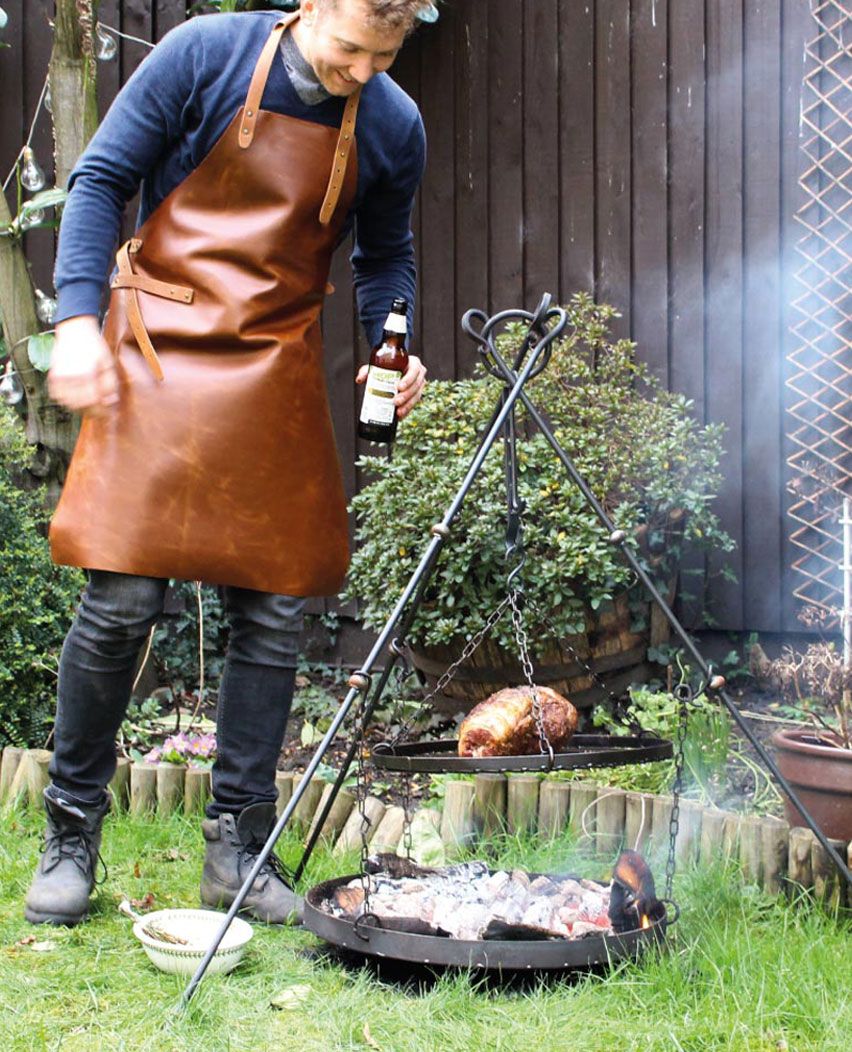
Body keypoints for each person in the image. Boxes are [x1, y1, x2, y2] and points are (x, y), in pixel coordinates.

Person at [25, 0, 428, 928]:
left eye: (385, 53)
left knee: (276, 606)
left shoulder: (393, 122)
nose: (363, 71)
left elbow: (386, 258)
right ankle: (71, 832)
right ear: (311, 7)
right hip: (155, 344)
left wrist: (388, 344)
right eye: (349, 48)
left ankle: (239, 847)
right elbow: (98, 182)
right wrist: (77, 324)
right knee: (121, 600)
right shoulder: (203, 55)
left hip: (272, 367)